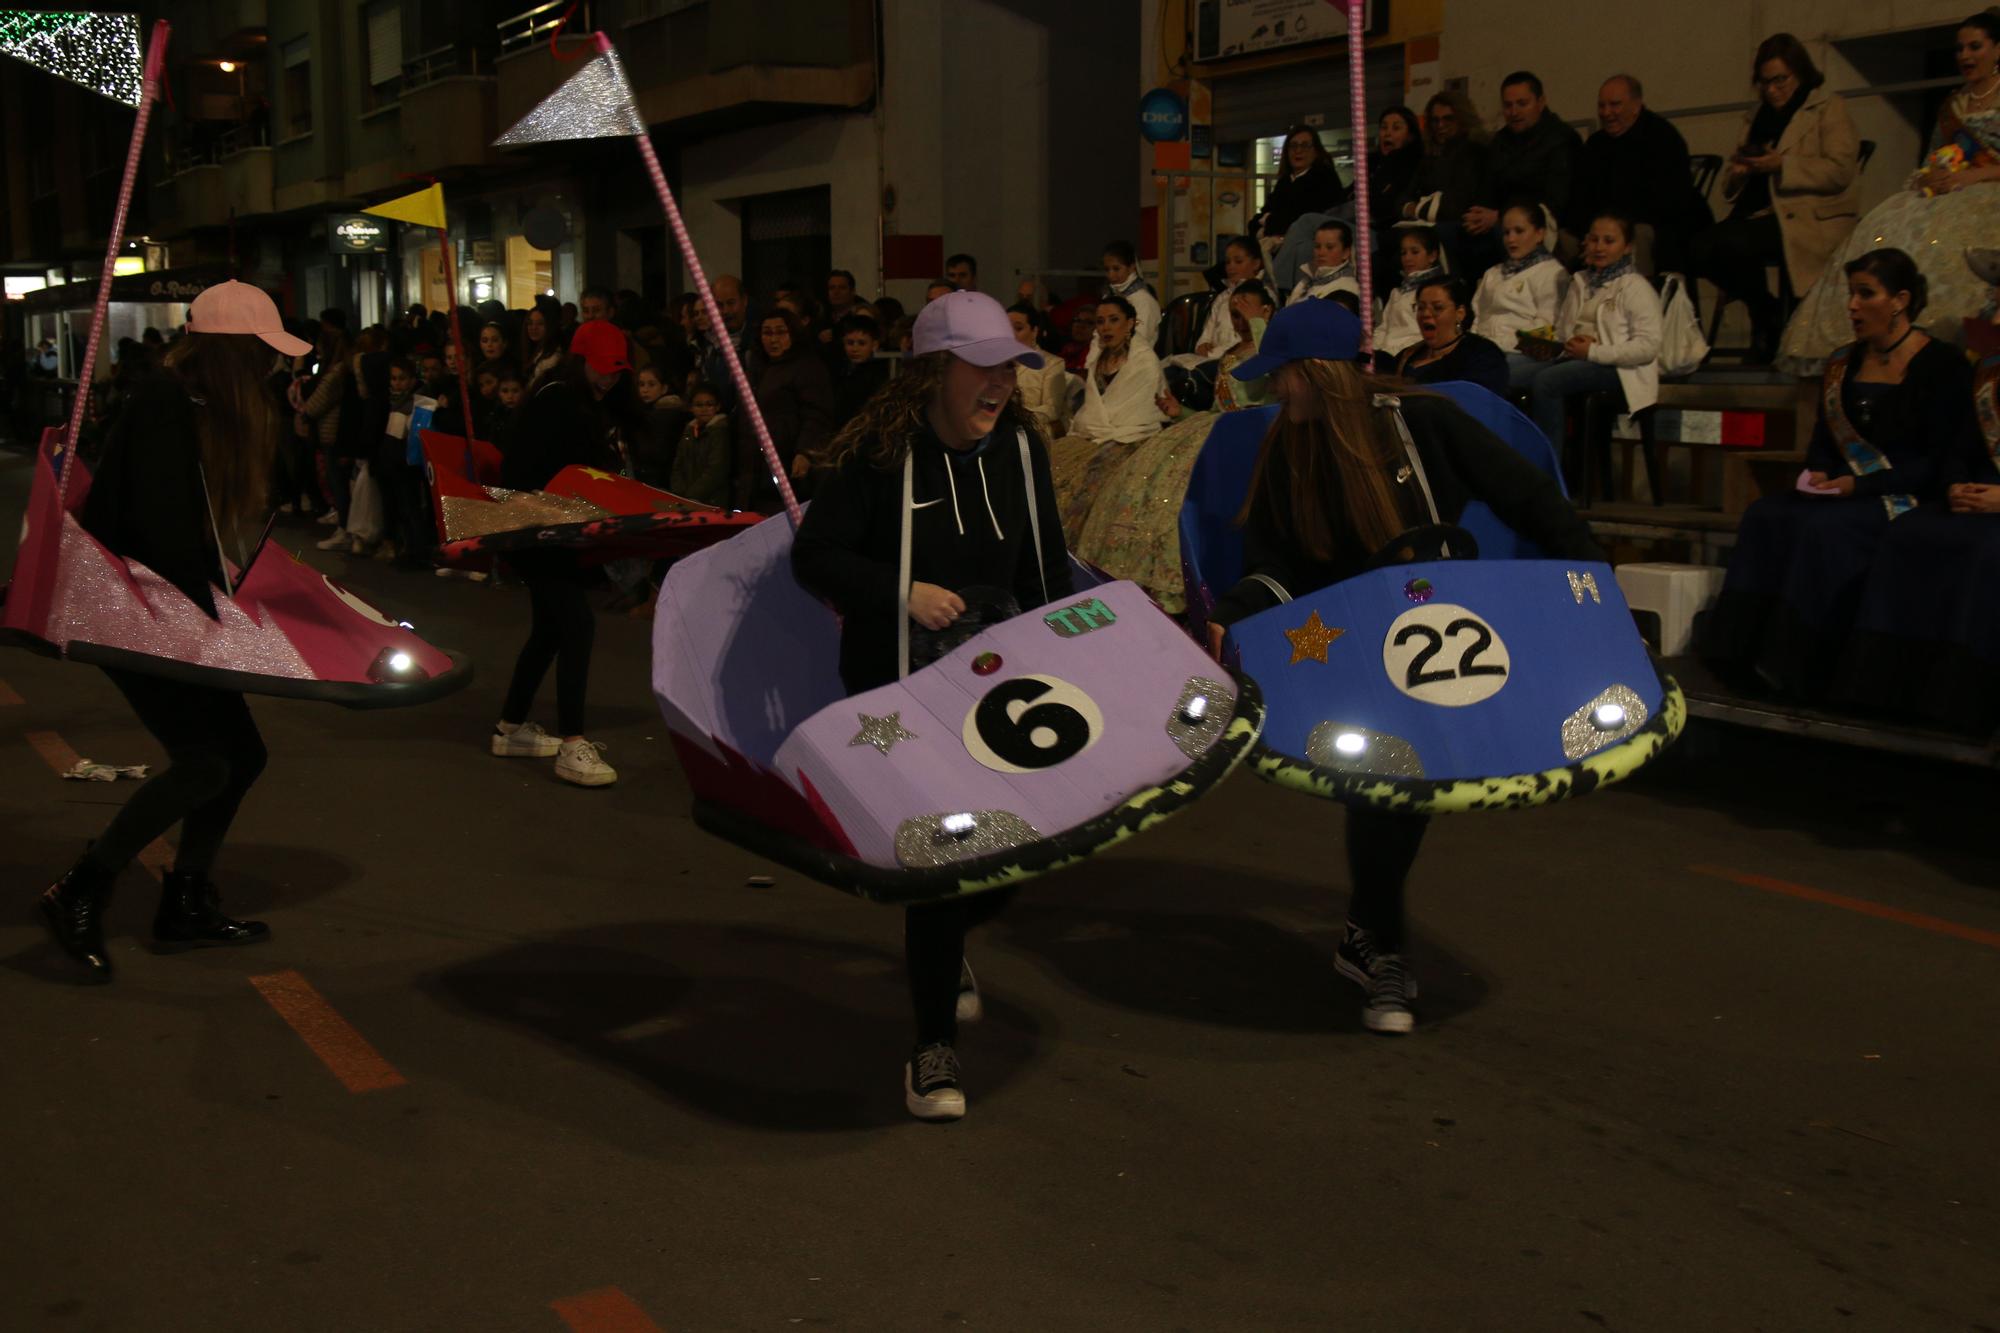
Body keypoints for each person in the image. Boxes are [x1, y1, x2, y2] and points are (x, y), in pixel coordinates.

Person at [1203, 299, 1601, 1033]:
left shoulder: (1427, 423)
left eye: (1282, 377)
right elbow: (1274, 565)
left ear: (1315, 373)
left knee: (1403, 789)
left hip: (1435, 632)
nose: (1272, 393)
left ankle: (1368, 933)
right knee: (1386, 784)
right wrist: (1227, 617)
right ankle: (1378, 941)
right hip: (1349, 640)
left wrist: (1594, 593)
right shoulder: (1286, 448)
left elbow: (1531, 498)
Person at [790, 290, 1069, 1120]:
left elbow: (1045, 571)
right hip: (898, 688)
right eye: (982, 367)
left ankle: (944, 953)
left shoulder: (1022, 451)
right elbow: (815, 555)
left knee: (1017, 854)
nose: (1000, 384)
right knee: (943, 864)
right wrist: (901, 592)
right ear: (931, 372)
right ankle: (931, 1047)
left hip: (997, 686)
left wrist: (1072, 662)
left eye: (1009, 369)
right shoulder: (878, 455)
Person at [39, 281, 313, 982]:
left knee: (241, 753)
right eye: (263, 354)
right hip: (129, 609)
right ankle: (81, 887)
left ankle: (185, 896)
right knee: (206, 759)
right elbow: (159, 533)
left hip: (171, 607)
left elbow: (211, 529)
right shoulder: (165, 401)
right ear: (232, 351)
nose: (271, 369)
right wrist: (219, 627)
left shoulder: (205, 408)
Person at [1704, 248, 1979, 699]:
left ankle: (1796, 665)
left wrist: (1859, 484)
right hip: (1845, 490)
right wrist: (1817, 473)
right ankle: (1735, 655)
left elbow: (1936, 459)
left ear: (1900, 300)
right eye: (1851, 294)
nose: (1852, 306)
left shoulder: (1941, 365)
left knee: (1824, 530)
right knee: (1766, 516)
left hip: (1902, 493)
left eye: (1865, 294)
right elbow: (1823, 442)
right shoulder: (1843, 364)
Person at [1779, 11, 2000, 372]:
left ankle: (1955, 347)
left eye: (1975, 46)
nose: (1965, 56)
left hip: (1989, 193)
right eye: (1960, 48)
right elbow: (1932, 159)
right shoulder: (1953, 104)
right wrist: (1932, 177)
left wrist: (1971, 179)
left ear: (1998, 49)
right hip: (1945, 192)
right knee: (1885, 229)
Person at [1071, 282, 1276, 612]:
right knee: (1148, 485)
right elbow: (1216, 409)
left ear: (1265, 312)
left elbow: (1271, 368)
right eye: (1234, 314)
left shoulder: (1266, 348)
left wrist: (1259, 323)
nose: (1239, 320)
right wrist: (1179, 412)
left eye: (1246, 313)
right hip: (1216, 427)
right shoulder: (1233, 352)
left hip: (1249, 432)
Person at [491, 320, 632, 788]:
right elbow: (545, 468)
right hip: (539, 527)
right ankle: (573, 743)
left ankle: (510, 727)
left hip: (550, 528)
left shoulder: (576, 399)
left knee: (551, 628)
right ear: (581, 359)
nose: (611, 377)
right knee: (577, 625)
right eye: (604, 368)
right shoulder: (560, 401)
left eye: (618, 370)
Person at [1691, 32, 1860, 366]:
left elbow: (1839, 171)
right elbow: (1729, 185)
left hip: (1804, 214)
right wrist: (1740, 172)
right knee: (1698, 248)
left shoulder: (1827, 107)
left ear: (1799, 72)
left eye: (1780, 80)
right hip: (1757, 210)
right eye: (1765, 82)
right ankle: (1766, 311)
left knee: (1733, 245)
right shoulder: (1756, 117)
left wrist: (1783, 165)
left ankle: (1767, 325)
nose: (1772, 90)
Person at [1515, 212, 1663, 467]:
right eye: (1594, 240)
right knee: (1508, 371)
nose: (1599, 247)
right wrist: (1549, 344)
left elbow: (1647, 347)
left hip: (1618, 368)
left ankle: (1548, 470)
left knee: (1547, 381)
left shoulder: (1635, 287)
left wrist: (1593, 351)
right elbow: (1563, 331)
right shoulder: (1581, 281)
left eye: (1608, 241)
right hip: (1575, 358)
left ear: (1627, 247)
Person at [1571, 75, 1713, 278]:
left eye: (1615, 105)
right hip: (1608, 227)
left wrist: (1616, 231)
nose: (1606, 113)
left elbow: (1669, 201)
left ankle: (1637, 304)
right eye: (1602, 106)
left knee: (1638, 236)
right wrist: (1590, 231)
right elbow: (1581, 196)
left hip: (1659, 225)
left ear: (1636, 106)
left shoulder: (1662, 138)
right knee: (1567, 240)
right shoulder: (1595, 145)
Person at [1050, 295, 1168, 535]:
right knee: (1055, 464)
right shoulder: (1099, 360)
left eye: (1113, 320)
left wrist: (1107, 431)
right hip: (1095, 431)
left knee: (1091, 482)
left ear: (1130, 323)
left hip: (1131, 434)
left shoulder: (1144, 361)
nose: (1105, 327)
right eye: (1101, 321)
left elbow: (1139, 407)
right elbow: (1094, 404)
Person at [1474, 71, 1583, 265]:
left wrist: (1500, 216)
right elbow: (1487, 187)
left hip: (1546, 223)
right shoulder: (1500, 141)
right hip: (1501, 219)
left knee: (1509, 235)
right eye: (1508, 105)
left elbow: (1557, 200)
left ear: (1540, 103)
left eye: (1522, 104)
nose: (1514, 112)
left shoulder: (1561, 139)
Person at [1472, 201, 1572, 388]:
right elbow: (1479, 317)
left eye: (1519, 231)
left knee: (1486, 380)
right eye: (1506, 233)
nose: (1511, 239)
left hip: (1525, 354)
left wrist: (1499, 345)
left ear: (1539, 234)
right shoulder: (1492, 273)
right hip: (1488, 352)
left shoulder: (1551, 273)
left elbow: (1547, 329)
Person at [744, 308, 836, 508]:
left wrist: (804, 452)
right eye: (767, 333)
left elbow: (817, 413)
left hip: (789, 458)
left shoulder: (808, 367)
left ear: (793, 334)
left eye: (780, 332)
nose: (773, 339)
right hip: (757, 463)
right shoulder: (758, 367)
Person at [1165, 236, 1266, 409]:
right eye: (1228, 262)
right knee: (1167, 373)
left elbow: (1249, 340)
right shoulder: (1222, 297)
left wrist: (1217, 354)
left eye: (1238, 261)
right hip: (1210, 357)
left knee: (1192, 377)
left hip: (1235, 359)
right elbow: (1208, 329)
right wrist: (1203, 344)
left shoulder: (1262, 296)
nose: (1231, 267)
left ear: (1256, 263)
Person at [1403, 88, 1491, 282]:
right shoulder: (1429, 156)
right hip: (1429, 222)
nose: (1440, 125)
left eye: (1447, 119)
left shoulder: (1474, 152)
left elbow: (1458, 203)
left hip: (1461, 225)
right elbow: (1405, 196)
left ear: (1461, 119)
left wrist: (1417, 207)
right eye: (1435, 120)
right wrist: (1414, 206)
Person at [1247, 125, 1351, 276]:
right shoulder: (1284, 182)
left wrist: (1268, 222)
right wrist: (1266, 223)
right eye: (1293, 146)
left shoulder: (1324, 180)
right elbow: (1257, 220)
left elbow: (1299, 219)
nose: (1298, 151)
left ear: (1315, 150)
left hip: (1304, 246)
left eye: (1305, 146)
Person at [1392, 276, 1509, 395]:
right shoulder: (1408, 355)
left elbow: (1482, 402)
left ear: (1460, 313)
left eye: (1437, 308)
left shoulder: (1482, 355)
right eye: (1421, 308)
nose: (1425, 314)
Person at [1369, 106, 1427, 296]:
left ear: (1410, 135)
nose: (1388, 133)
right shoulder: (1372, 163)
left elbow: (1383, 204)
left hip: (1381, 230)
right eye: (1384, 127)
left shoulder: (1411, 164)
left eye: (1396, 128)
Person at [1377, 226, 1447, 361]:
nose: (1407, 258)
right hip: (1387, 354)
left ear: (1432, 256)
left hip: (1415, 355)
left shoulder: (1439, 290)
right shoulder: (1396, 293)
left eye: (1415, 252)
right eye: (1404, 253)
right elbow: (1383, 329)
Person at [1008, 303, 1072, 437]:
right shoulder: (996, 362)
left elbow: (1052, 408)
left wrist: (1016, 417)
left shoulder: (1052, 364)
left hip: (1030, 428)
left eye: (1018, 328)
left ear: (1034, 331)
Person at [669, 383, 732, 507]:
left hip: (712, 501)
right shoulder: (689, 431)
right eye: (699, 405)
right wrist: (679, 492)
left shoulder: (720, 432)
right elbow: (678, 463)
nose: (704, 409)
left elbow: (715, 470)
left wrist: (691, 495)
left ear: (718, 406)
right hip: (686, 499)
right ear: (691, 407)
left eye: (709, 404)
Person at [631, 363, 690, 490]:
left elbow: (656, 453)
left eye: (651, 384)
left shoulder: (666, 414)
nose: (645, 390)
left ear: (664, 388)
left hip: (659, 481)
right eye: (641, 384)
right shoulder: (648, 411)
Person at [831, 313, 891, 429]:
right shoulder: (839, 369)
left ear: (874, 345)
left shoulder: (879, 373)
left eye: (862, 343)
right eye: (850, 343)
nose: (855, 348)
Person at [1102, 241, 1161, 350]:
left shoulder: (1144, 301)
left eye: (1116, 269)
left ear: (1132, 267)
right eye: (1107, 270)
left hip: (1137, 362)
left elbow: (1139, 342)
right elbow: (1097, 338)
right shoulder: (1108, 297)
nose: (1111, 275)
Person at [1289, 220, 1362, 305]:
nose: (1321, 253)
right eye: (1317, 246)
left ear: (1346, 253)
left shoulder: (1348, 289)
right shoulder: (1306, 281)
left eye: (1329, 247)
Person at [519, 305, 564, 383]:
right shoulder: (529, 350)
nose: (534, 328)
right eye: (530, 323)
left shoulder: (551, 358)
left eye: (540, 323)